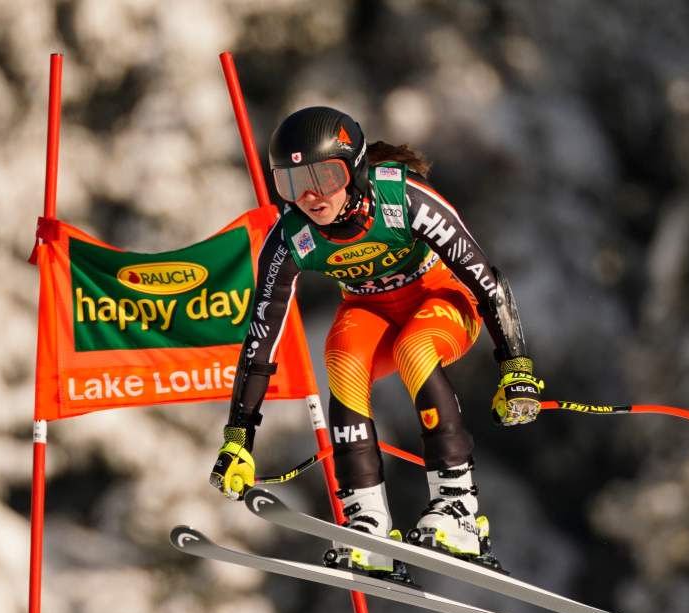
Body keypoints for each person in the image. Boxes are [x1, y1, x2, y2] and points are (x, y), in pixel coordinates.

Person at [208, 106, 543, 581]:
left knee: (414, 348)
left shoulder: (401, 199)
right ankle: (368, 520)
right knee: (341, 356)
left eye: (324, 176)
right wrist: (239, 437)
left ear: (355, 169)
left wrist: (516, 367)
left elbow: (486, 280)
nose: (310, 196)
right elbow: (262, 335)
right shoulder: (292, 236)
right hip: (371, 311)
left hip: (442, 301)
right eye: (291, 182)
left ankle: (459, 509)